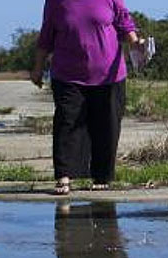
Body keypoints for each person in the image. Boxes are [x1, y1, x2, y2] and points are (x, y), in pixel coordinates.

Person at [31, 0, 143, 195]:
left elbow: (124, 22)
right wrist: (38, 68)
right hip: (68, 75)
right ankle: (64, 176)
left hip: (109, 74)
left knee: (107, 125)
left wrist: (136, 43)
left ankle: (102, 177)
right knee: (67, 122)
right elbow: (47, 34)